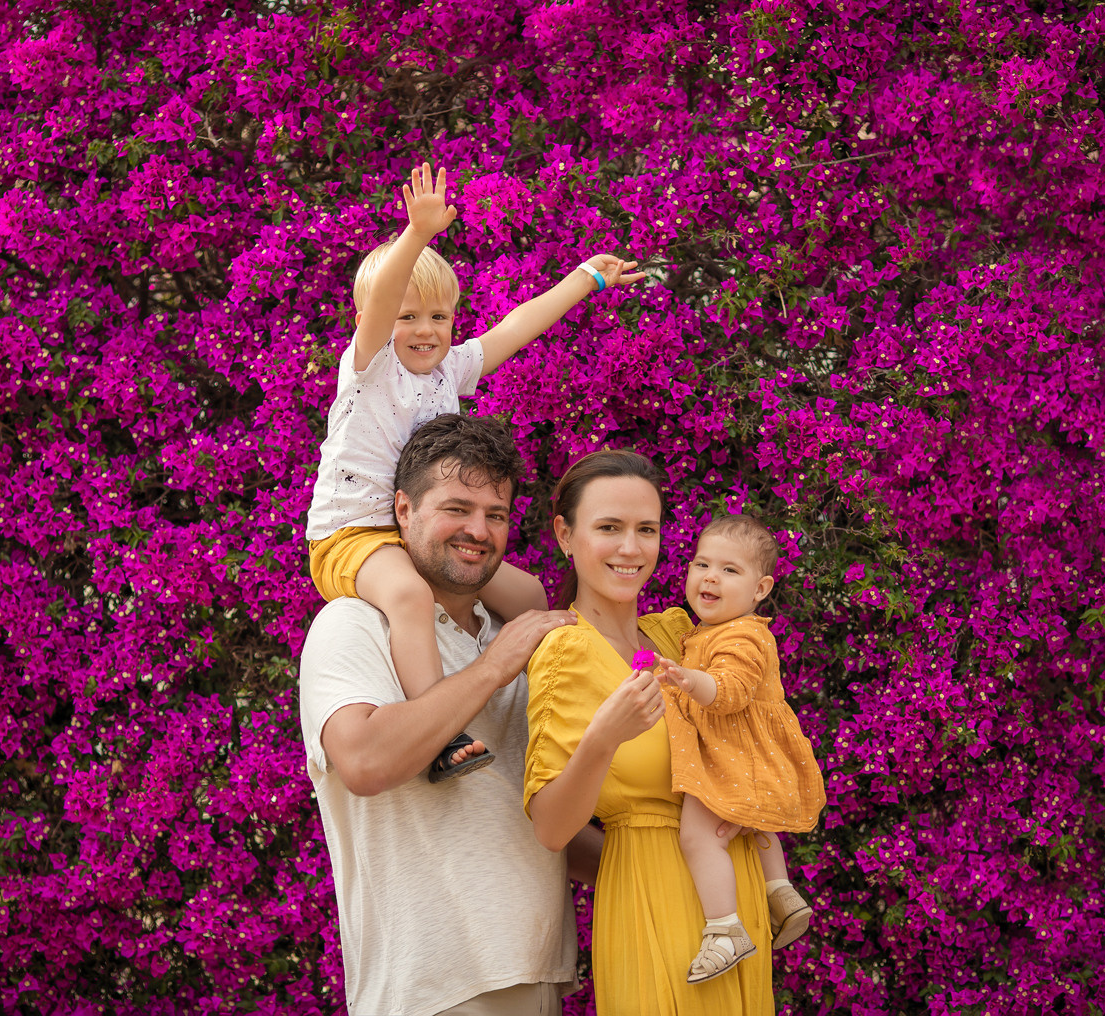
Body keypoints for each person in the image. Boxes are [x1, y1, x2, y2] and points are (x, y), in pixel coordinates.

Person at [305, 162, 645, 782]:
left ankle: (570, 714)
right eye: (409, 317)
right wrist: (417, 235)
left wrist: (585, 278)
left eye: (439, 318)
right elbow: (382, 301)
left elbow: (516, 327)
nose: (425, 331)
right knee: (409, 596)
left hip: (415, 532)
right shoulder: (369, 366)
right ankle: (441, 731)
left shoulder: (449, 371)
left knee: (530, 596)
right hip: (351, 536)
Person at [299, 414, 596, 1016]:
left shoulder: (513, 634)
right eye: (457, 508)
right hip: (431, 989)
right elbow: (364, 761)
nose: (478, 530)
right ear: (404, 510)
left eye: (496, 514)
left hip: (537, 974)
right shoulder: (354, 624)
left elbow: (529, 813)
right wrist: (493, 669)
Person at [522, 450, 774, 1015]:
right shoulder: (566, 651)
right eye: (609, 528)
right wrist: (603, 738)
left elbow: (760, 716)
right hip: (650, 894)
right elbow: (551, 828)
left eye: (647, 530)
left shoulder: (681, 636)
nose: (631, 548)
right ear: (565, 535)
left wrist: (750, 790)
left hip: (735, 901)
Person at [653, 513, 825, 982]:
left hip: (736, 757)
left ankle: (725, 930)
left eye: (729, 570)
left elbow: (728, 692)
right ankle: (780, 890)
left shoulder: (743, 634)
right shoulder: (714, 630)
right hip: (750, 756)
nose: (710, 577)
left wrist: (689, 680)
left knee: (698, 837)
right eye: (702, 564)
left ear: (760, 589)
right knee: (753, 819)